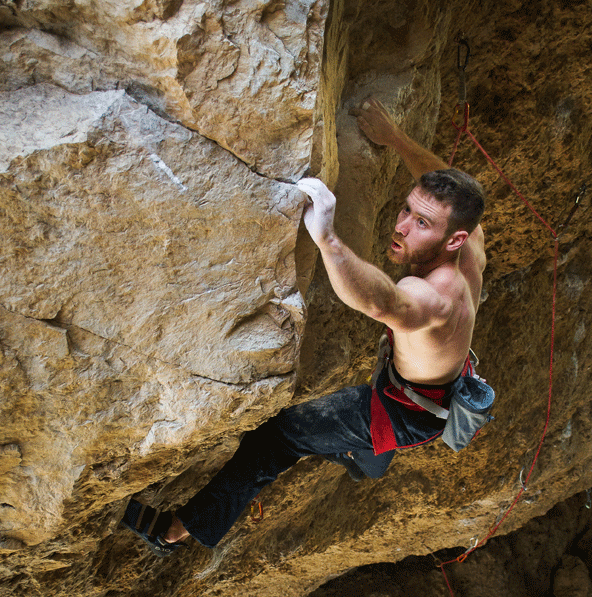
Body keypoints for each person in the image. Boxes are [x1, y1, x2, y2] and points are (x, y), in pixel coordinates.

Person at [120, 98, 487, 556]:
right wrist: (395, 138)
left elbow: (380, 301)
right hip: (431, 387)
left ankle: (172, 533)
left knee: (276, 438)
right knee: (317, 424)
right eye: (407, 210)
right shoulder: (469, 244)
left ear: (453, 238)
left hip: (401, 412)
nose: (402, 226)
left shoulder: (435, 298)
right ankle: (362, 451)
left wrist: (327, 238)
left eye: (422, 223)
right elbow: (452, 183)